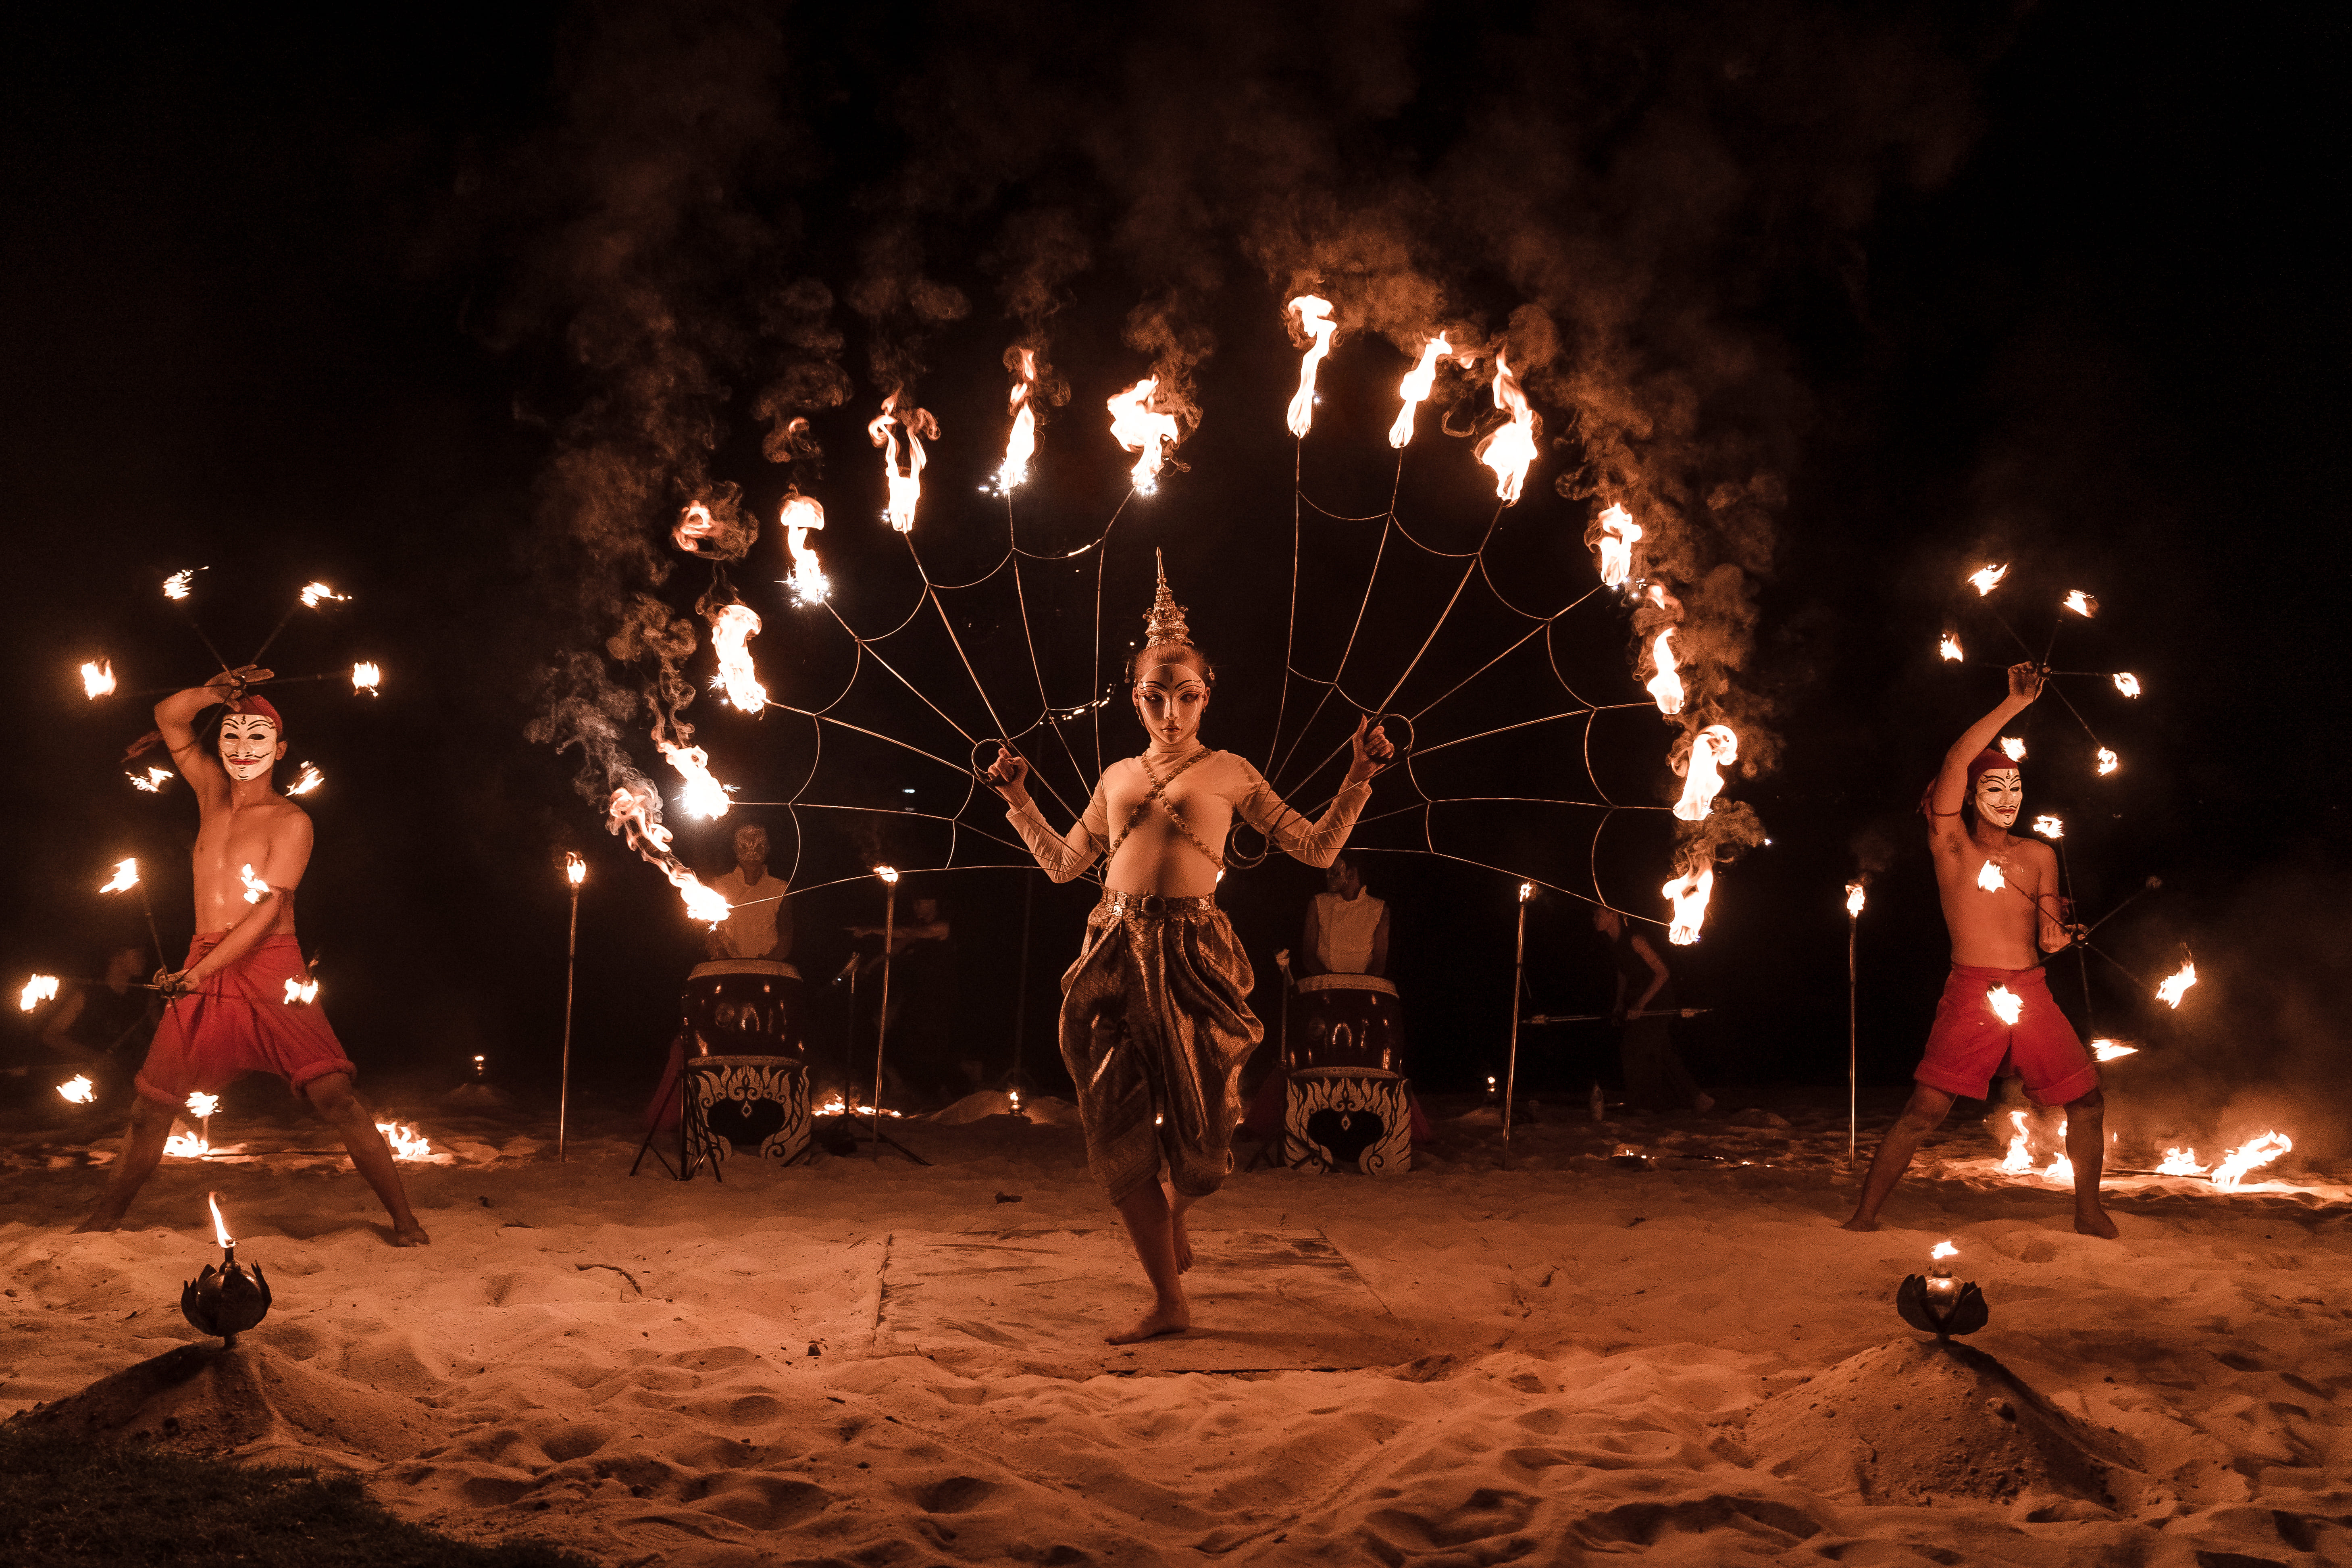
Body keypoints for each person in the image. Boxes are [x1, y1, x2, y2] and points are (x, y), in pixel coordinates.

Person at [985, 554, 1392, 1343]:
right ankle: (1169, 1301)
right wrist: (1019, 799)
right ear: (1134, 695)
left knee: (1205, 1146)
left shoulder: (1230, 771)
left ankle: (1177, 1210)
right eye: (1154, 695)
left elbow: (1314, 847)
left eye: (1186, 695)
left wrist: (1357, 774)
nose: (1169, 711)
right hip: (1111, 950)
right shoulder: (1115, 775)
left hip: (1195, 956)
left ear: (1208, 693)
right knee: (1114, 1127)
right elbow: (1065, 865)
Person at [74, 667, 430, 1244]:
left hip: (269, 966)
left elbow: (267, 910)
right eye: (232, 735)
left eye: (257, 737)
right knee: (150, 1109)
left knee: (335, 1098)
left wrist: (197, 973)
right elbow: (168, 715)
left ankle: (405, 1222)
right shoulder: (210, 794)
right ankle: (102, 1221)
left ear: (280, 749)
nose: (243, 748)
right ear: (219, 743)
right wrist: (215, 692)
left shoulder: (292, 821)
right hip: (201, 962)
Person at [1843, 661, 2113, 1239]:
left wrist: (2064, 934)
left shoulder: (2039, 855)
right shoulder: (1952, 847)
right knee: (1924, 1112)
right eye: (1994, 788)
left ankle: (2088, 1212)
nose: (2008, 798)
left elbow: (2046, 936)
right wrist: (2014, 704)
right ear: (1968, 796)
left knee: (2088, 1103)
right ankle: (1864, 1216)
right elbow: (1953, 761)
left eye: (2015, 788)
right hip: (1972, 992)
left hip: (2030, 992)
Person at [1591, 906, 1713, 1114]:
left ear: (1614, 915)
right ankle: (1695, 1098)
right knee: (1661, 1050)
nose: (1594, 918)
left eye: (1598, 914)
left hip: (1658, 1000)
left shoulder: (1636, 940)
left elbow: (1663, 973)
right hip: (1639, 1000)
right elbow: (1623, 972)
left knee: (1633, 1048)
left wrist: (1641, 1005)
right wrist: (1619, 1002)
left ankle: (1643, 1103)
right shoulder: (1613, 943)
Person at [42, 942, 161, 1076]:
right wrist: (94, 1057)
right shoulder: (88, 994)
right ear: (117, 957)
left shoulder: (145, 993)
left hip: (133, 1073)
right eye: (138, 955)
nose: (144, 960)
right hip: (88, 1075)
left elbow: (161, 1029)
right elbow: (51, 1036)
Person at [707, 823, 793, 962]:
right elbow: (711, 935)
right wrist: (728, 963)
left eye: (759, 847)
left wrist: (767, 962)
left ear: (768, 848)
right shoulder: (719, 886)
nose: (752, 854)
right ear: (735, 849)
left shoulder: (780, 889)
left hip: (768, 967)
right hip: (728, 967)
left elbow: (786, 935)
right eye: (744, 847)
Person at [1297, 854, 1388, 979]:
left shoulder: (1379, 909)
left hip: (1362, 985)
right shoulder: (1318, 903)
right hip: (1325, 983)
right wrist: (1331, 981)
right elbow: (1309, 955)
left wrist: (1360, 984)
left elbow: (1379, 962)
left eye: (1335, 872)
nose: (1329, 877)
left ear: (1353, 875)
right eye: (1329, 873)